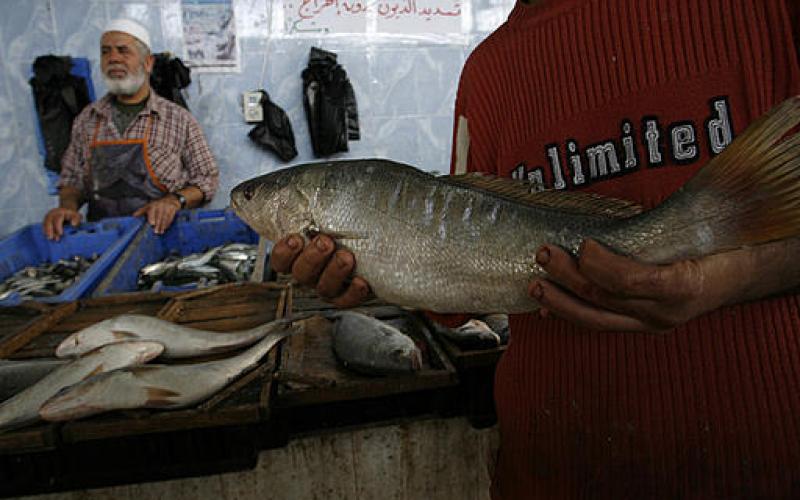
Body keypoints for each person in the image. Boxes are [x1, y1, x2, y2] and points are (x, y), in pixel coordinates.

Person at [271, 0, 800, 497]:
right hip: (555, 460)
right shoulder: (487, 70)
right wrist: (375, 269)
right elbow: (460, 281)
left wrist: (734, 277)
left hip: (762, 453)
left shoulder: (764, 11)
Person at [43, 19, 219, 240]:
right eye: (106, 52)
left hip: (164, 237)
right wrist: (67, 206)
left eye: (123, 51)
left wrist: (174, 201)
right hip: (104, 239)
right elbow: (71, 181)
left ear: (147, 63)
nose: (113, 58)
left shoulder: (178, 119)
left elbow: (207, 179)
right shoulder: (87, 119)